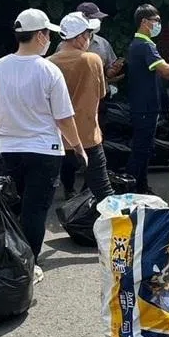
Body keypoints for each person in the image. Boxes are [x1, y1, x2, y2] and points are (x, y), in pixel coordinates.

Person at [0, 9, 85, 283]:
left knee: (14, 205)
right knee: (35, 210)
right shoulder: (49, 70)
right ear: (39, 36)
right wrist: (78, 146)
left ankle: (12, 257)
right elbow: (63, 118)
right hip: (44, 151)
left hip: (10, 150)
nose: (49, 38)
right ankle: (29, 263)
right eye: (48, 34)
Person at [49, 12, 114, 202]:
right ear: (79, 38)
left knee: (44, 193)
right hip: (88, 137)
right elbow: (101, 93)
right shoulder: (92, 60)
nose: (89, 38)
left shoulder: (48, 63)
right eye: (88, 34)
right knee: (103, 191)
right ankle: (109, 229)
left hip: (57, 138)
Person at [125, 4, 169, 194]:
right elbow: (165, 70)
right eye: (155, 21)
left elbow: (165, 73)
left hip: (144, 105)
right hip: (145, 107)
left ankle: (141, 187)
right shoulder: (145, 45)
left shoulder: (141, 44)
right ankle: (132, 189)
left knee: (144, 148)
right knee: (141, 150)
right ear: (144, 22)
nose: (158, 25)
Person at [77, 2, 125, 88]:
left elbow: (109, 72)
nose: (99, 22)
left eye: (100, 19)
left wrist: (113, 71)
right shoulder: (66, 45)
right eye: (96, 19)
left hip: (100, 95)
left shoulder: (103, 43)